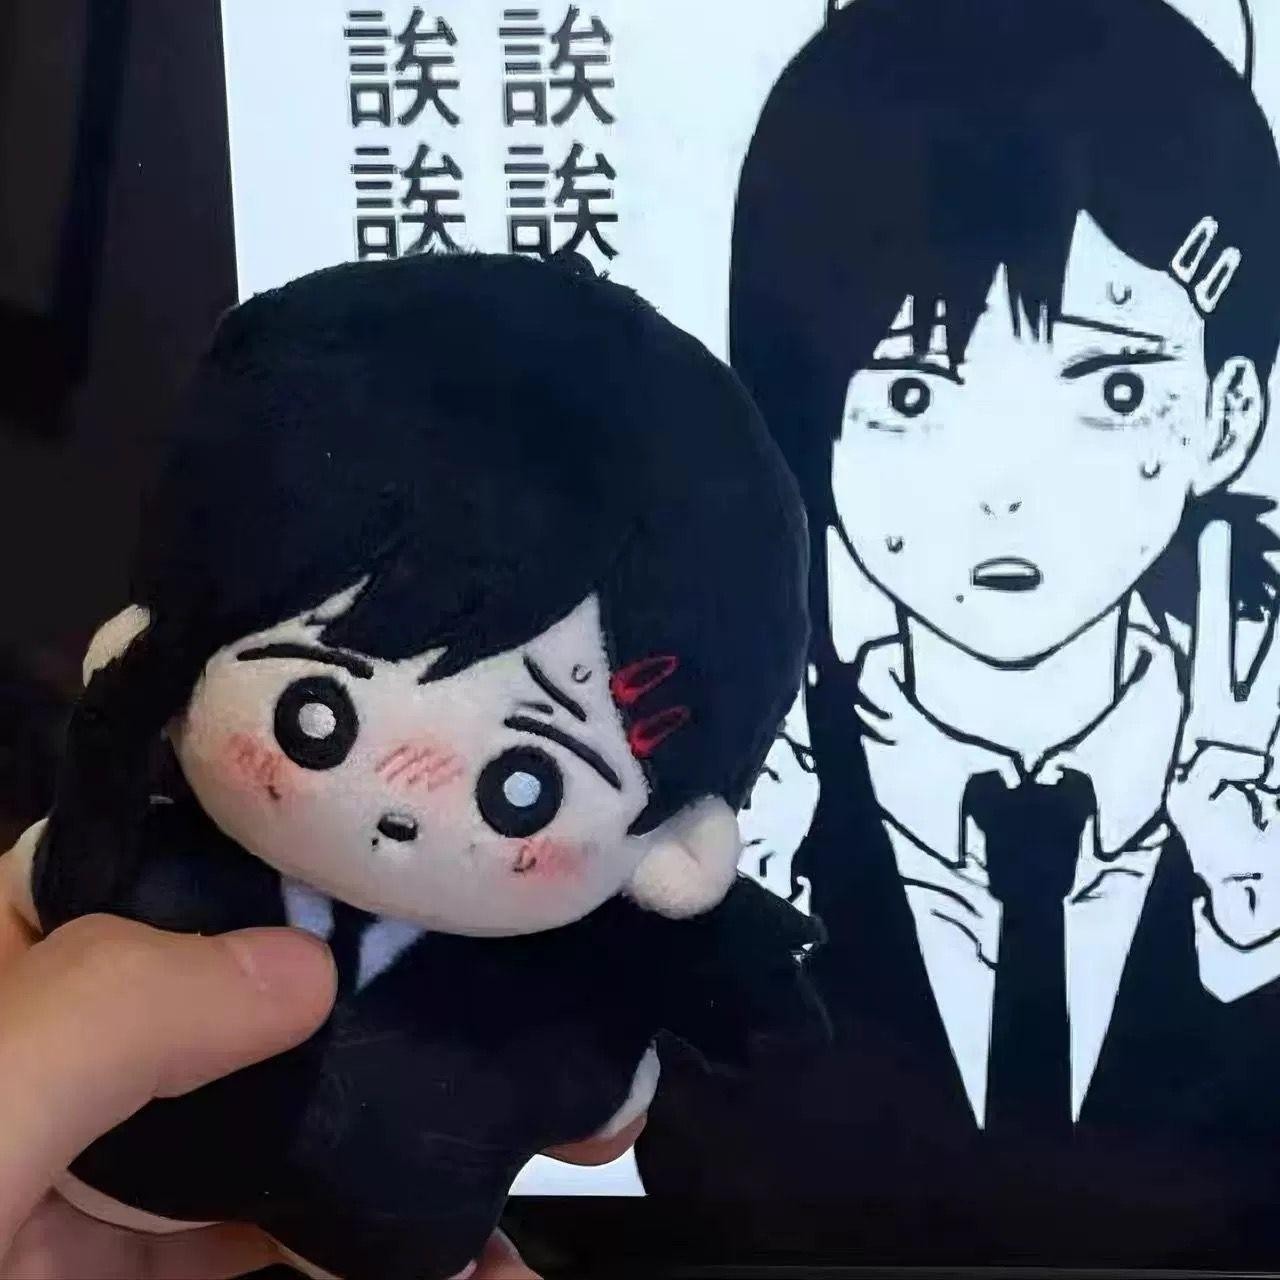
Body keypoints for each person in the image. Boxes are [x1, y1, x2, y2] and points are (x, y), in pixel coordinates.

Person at [18, 250, 816, 1280]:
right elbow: (54, 883)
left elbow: (596, 1094)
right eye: (316, 714)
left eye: (522, 784)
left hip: (388, 1232)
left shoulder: (540, 1009)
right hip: (112, 1166)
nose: (399, 799)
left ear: (678, 848)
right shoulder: (153, 886)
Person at [636, 0, 1280, 1267]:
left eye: (1110, 387)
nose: (1005, 490)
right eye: (913, 390)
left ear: (1225, 413)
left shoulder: (1245, 813)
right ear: (802, 418)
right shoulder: (716, 807)